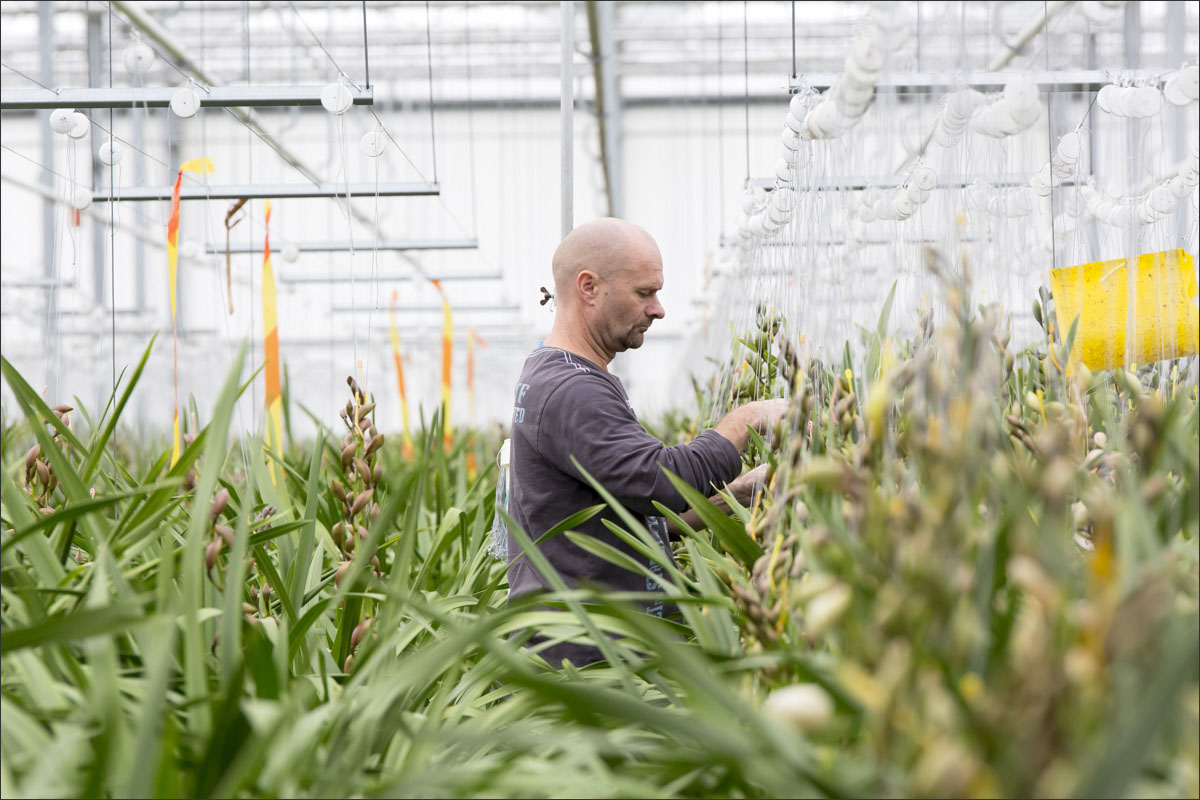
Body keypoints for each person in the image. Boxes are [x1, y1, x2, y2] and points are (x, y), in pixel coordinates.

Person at [505, 217, 787, 667]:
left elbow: (626, 514)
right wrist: (747, 419)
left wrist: (733, 496)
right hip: (588, 668)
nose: (658, 310)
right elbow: (663, 481)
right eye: (644, 293)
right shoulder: (572, 390)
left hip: (607, 653)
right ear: (589, 287)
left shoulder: (564, 375)